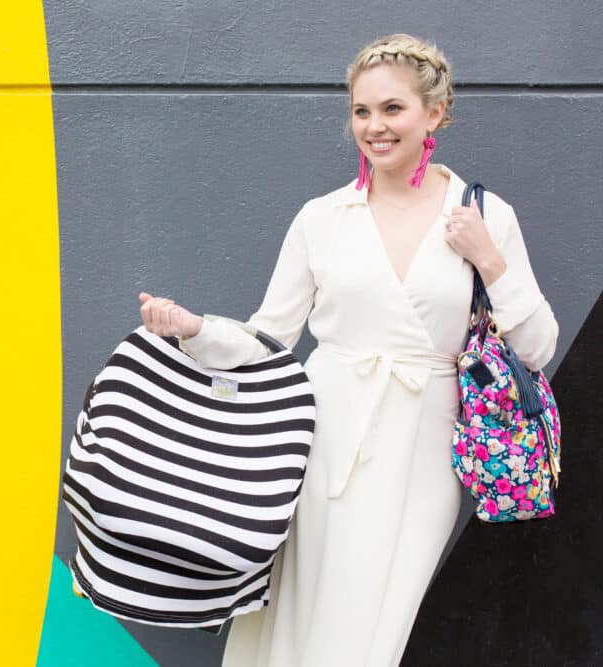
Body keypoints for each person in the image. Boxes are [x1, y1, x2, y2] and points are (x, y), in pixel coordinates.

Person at [137, 33, 558, 666]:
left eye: (393, 109)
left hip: (425, 445)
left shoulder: (484, 216)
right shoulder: (323, 217)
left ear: (434, 113)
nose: (374, 126)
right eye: (362, 111)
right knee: (299, 616)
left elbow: (539, 347)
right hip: (321, 439)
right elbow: (268, 339)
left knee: (375, 627)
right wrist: (197, 330)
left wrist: (489, 261)